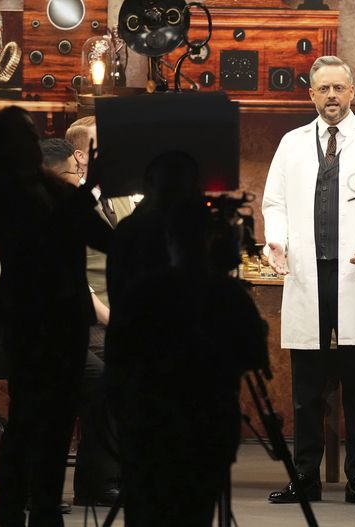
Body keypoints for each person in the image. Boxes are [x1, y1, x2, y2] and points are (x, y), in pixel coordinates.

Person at [262, 55, 355, 507]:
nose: (332, 97)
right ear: (311, 94)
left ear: (352, 91)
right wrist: (277, 242)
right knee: (305, 390)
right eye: (323, 90)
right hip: (308, 275)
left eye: (339, 88)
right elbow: (274, 204)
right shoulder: (291, 143)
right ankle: (305, 477)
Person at [104, 151, 268, 526]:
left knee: (144, 512)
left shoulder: (138, 283)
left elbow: (118, 348)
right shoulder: (227, 297)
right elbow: (254, 356)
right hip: (208, 428)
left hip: (146, 421)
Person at [0, 106, 110, 527]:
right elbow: (58, 231)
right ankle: (26, 510)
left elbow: (100, 237)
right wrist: (90, 188)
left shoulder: (31, 193)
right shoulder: (10, 196)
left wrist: (90, 189)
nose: (37, 140)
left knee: (50, 422)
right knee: (33, 423)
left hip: (53, 319)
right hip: (35, 321)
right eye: (28, 134)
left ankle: (39, 510)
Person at [65, 115, 137, 506]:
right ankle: (97, 482)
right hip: (91, 316)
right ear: (81, 155)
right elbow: (75, 277)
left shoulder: (124, 195)